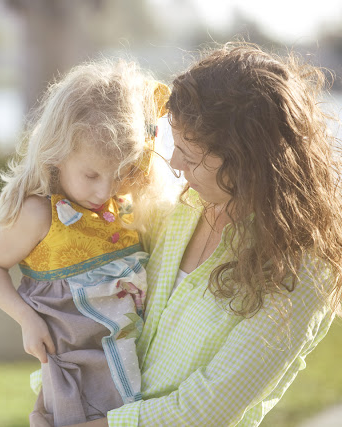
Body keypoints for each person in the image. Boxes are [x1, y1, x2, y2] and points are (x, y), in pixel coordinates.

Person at [52, 42, 342, 427]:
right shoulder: (180, 209)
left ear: (246, 161)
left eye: (190, 154)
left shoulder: (303, 269)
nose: (173, 163)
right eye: (176, 145)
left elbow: (208, 407)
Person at [0, 59, 172, 426]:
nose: (104, 191)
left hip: (131, 363)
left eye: (120, 175)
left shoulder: (123, 208)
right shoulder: (40, 214)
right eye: (92, 175)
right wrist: (26, 319)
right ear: (57, 152)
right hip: (77, 377)